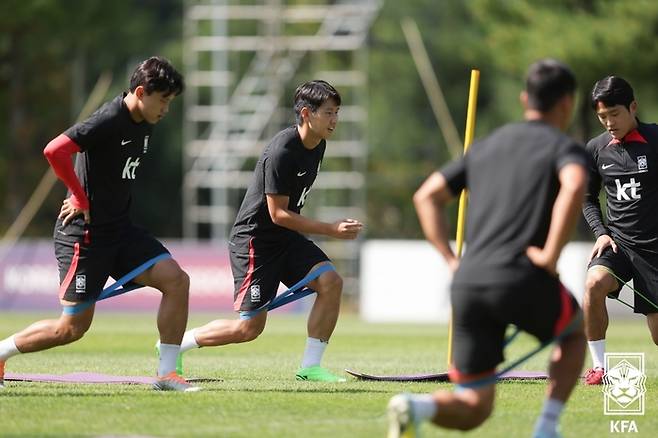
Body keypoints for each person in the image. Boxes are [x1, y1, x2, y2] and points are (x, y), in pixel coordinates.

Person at [387, 59, 587, 438]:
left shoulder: (486, 146)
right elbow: (575, 185)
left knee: (475, 408)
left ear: (525, 98)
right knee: (575, 333)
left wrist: (450, 260)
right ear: (567, 103)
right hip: (521, 275)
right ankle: (547, 427)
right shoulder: (563, 147)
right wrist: (549, 256)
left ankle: (415, 406)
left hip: (469, 280)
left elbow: (426, 196)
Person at [0, 56, 199, 392]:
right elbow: (55, 150)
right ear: (140, 91)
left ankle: (166, 375)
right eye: (163, 100)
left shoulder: (145, 121)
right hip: (84, 235)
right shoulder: (109, 118)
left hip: (120, 230)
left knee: (176, 280)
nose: (166, 108)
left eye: (170, 101)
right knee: (71, 329)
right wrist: (78, 196)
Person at [162, 80, 363, 382]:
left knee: (331, 282)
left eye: (337, 112)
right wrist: (330, 229)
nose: (335, 120)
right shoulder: (282, 151)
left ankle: (310, 368)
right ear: (307, 114)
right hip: (256, 242)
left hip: (286, 239)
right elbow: (278, 214)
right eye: (329, 113)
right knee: (249, 329)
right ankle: (177, 345)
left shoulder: (318, 145)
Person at [581, 76, 658, 385]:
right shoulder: (595, 149)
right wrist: (601, 231)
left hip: (654, 251)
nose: (609, 123)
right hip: (618, 245)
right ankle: (600, 367)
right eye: (602, 117)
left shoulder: (655, 140)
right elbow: (587, 198)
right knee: (593, 284)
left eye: (615, 114)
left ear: (633, 107)